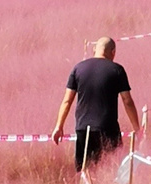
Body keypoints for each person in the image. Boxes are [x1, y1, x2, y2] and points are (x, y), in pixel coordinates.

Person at [51, 37, 141, 174]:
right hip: (108, 129)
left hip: (83, 129)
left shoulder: (78, 68)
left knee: (85, 172)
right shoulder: (117, 70)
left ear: (94, 50)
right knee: (112, 169)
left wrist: (59, 126)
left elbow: (67, 101)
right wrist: (137, 129)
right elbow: (127, 101)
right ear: (113, 52)